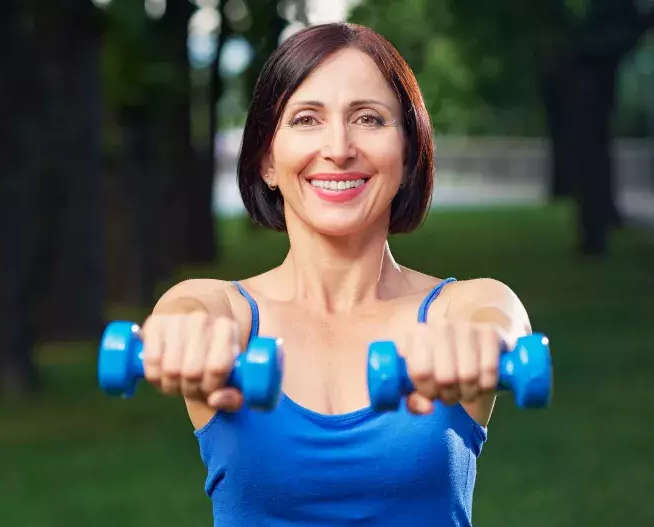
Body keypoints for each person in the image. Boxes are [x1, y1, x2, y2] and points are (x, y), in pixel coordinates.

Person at [138, 22, 532, 526]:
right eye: (306, 119)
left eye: (368, 119)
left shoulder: (458, 310)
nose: (339, 147)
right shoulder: (228, 313)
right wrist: (182, 333)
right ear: (266, 160)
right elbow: (188, 311)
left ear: (408, 154)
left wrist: (482, 341)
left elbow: (498, 319)